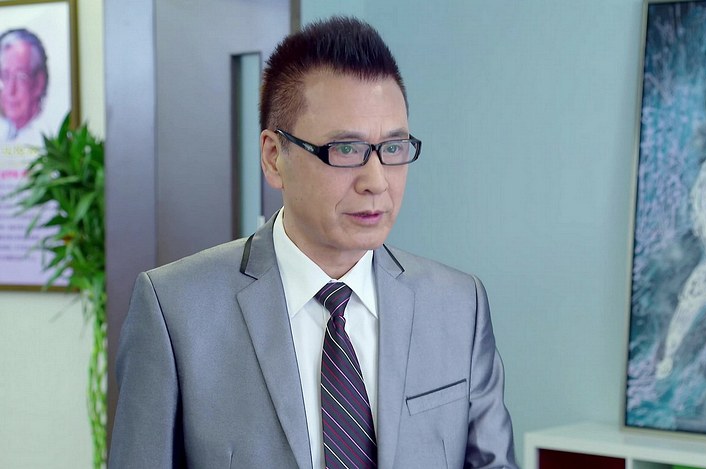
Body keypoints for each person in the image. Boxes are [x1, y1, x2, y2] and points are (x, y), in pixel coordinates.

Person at [110, 16, 517, 469]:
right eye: (345, 149)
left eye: (393, 148)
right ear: (274, 158)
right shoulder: (176, 312)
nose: (376, 181)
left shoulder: (458, 305)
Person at [0, 28, 48, 141]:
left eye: (21, 77)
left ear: (39, 83)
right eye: (5, 76)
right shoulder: (5, 134)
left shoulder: (46, 137)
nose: (11, 90)